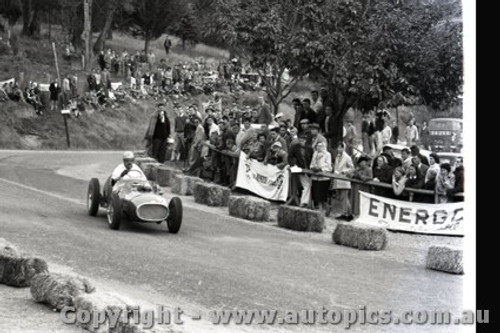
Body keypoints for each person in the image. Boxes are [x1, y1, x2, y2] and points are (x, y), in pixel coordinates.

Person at [331, 142, 354, 221]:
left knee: (344, 197)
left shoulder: (347, 157)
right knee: (342, 198)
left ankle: (347, 213)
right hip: (338, 178)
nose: (339, 149)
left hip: (344, 179)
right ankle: (347, 213)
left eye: (341, 147)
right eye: (338, 147)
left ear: (344, 148)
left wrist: (344, 171)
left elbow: (352, 168)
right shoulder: (337, 157)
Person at [310, 142, 333, 213]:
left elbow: (329, 167)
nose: (318, 147)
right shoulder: (315, 154)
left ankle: (325, 208)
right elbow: (311, 164)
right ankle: (321, 210)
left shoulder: (327, 154)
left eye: (320, 146)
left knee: (322, 196)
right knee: (316, 196)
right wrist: (313, 167)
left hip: (324, 179)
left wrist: (321, 168)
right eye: (317, 146)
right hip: (315, 177)